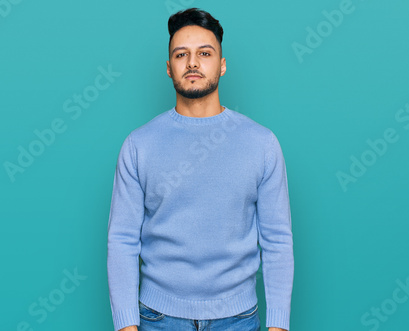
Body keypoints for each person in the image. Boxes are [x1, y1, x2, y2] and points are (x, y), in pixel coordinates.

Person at [107, 7, 294, 331]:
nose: (193, 63)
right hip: (157, 318)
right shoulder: (139, 145)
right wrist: (126, 325)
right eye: (182, 54)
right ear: (169, 68)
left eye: (204, 53)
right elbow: (122, 240)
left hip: (238, 318)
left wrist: (278, 325)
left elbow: (277, 240)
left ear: (221, 65)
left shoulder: (261, 143)